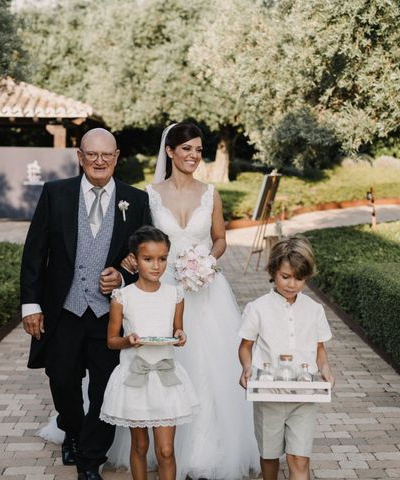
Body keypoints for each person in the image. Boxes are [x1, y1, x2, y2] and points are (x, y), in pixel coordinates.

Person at [112, 122, 259, 479]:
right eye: (187, 149)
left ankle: (206, 451)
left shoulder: (211, 194)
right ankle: (162, 447)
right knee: (163, 362)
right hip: (161, 294)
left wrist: (208, 261)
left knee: (209, 369)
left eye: (198, 149)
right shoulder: (149, 194)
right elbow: (140, 241)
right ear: (170, 152)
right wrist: (130, 260)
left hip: (205, 291)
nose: (194, 155)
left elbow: (220, 238)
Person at [20, 128, 152, 480]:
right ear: (80, 157)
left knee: (105, 387)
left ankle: (90, 459)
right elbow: (34, 252)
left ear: (117, 157)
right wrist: (31, 305)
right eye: (91, 154)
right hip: (64, 308)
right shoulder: (56, 193)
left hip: (111, 314)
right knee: (62, 379)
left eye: (106, 155)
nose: (99, 161)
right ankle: (73, 432)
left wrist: (123, 278)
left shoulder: (135, 200)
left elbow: (145, 254)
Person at [101, 226, 199, 480]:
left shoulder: (174, 294)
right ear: (134, 260)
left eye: (162, 259)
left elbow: (177, 329)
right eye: (148, 259)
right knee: (140, 446)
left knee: (166, 450)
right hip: (135, 377)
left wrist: (180, 336)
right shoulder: (122, 296)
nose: (156, 266)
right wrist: (128, 340)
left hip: (166, 377)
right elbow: (111, 341)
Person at [238, 235, 335, 480]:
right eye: (285, 276)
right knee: (269, 459)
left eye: (299, 278)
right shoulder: (258, 308)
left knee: (299, 458)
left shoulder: (314, 310)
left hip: (303, 395)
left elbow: (319, 349)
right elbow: (245, 346)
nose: (292, 284)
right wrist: (247, 367)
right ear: (273, 271)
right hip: (268, 395)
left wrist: (325, 370)